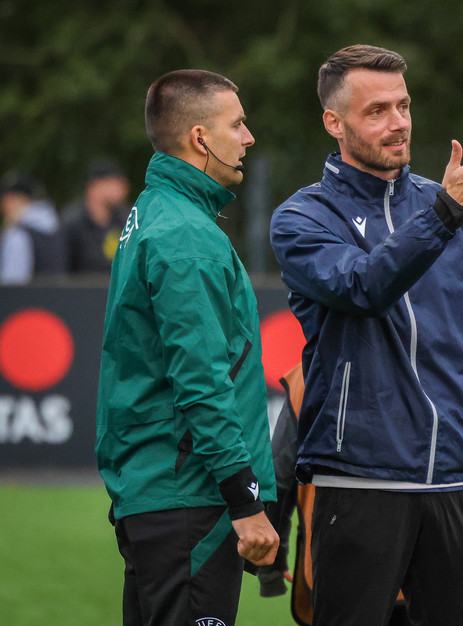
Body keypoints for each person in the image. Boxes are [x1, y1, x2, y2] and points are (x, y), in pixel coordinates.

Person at [270, 45, 463, 625]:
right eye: (377, 111)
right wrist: (445, 213)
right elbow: (362, 287)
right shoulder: (303, 216)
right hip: (360, 477)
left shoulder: (450, 208)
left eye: (404, 106)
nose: (399, 122)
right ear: (334, 122)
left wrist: (448, 211)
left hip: (455, 475)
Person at [96, 69, 279, 626]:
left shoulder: (153, 211)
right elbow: (201, 380)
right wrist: (244, 499)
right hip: (189, 499)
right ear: (200, 138)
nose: (248, 137)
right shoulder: (185, 235)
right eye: (237, 124)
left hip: (160, 493)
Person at [259, 363, 463, 626]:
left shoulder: (311, 373)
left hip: (346, 557)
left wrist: (270, 564)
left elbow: (279, 474)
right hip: (427, 562)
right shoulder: (438, 367)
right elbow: (461, 472)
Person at [61, 158, 130, 274]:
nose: (121, 188)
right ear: (94, 186)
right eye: (112, 182)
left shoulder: (124, 220)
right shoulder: (72, 223)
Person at [0, 170, 65, 284]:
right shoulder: (56, 228)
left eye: (7, 200)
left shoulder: (17, 236)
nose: (3, 208)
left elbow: (11, 284)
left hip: (29, 295)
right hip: (58, 294)